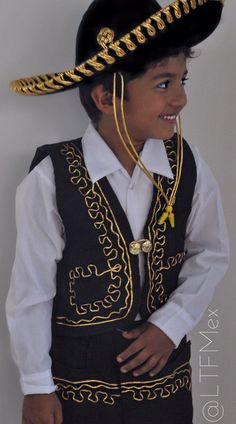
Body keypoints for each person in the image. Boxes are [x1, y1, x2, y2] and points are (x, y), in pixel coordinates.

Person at [6, 0, 229, 423]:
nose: (181, 98)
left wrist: (172, 323)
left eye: (183, 80)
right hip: (79, 392)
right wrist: (36, 385)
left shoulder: (189, 164)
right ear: (107, 97)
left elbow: (211, 253)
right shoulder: (52, 178)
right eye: (163, 83)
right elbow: (32, 291)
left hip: (165, 388)